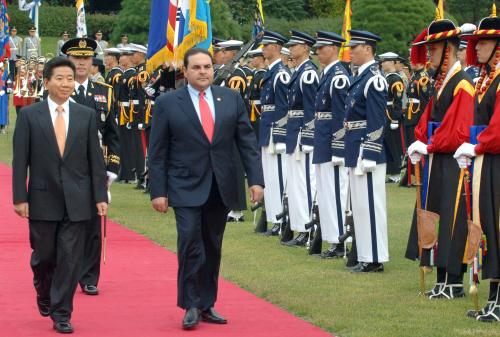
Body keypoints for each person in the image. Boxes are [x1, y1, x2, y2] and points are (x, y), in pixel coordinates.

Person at [148, 48, 264, 330]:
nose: (203, 72)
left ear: (214, 69)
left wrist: (256, 180)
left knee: (212, 245)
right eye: (196, 67)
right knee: (189, 242)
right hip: (184, 184)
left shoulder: (231, 99)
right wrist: (158, 191)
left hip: (220, 185)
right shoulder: (168, 103)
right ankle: (189, 304)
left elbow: (246, 143)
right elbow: (158, 151)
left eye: (207, 67)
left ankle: (206, 303)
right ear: (185, 71)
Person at [12, 56, 108, 333]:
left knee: (70, 257)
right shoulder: (30, 115)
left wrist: (100, 195)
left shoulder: (86, 115)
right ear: (47, 82)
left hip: (79, 200)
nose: (66, 84)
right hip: (42, 198)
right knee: (44, 257)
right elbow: (21, 160)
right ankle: (43, 288)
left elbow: (95, 161)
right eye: (60, 79)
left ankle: (62, 312)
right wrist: (20, 197)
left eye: (70, 79)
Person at [405, 17, 475, 298]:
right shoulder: (443, 82)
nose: (430, 54)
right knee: (435, 214)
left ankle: (454, 280)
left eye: (434, 49)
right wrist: (420, 139)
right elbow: (427, 119)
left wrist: (429, 145)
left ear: (448, 49)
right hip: (438, 159)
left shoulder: (462, 84)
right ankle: (442, 276)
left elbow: (459, 129)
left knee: (453, 218)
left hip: (453, 160)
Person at [62, 37, 121, 296]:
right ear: (68, 61)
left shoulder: (105, 91)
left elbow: (113, 134)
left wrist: (111, 169)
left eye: (86, 59)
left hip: (96, 168)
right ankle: (65, 272)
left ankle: (88, 276)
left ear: (92, 62)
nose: (82, 63)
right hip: (65, 168)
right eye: (76, 59)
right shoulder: (58, 90)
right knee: (65, 222)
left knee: (93, 226)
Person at [453, 9, 500, 322]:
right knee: (489, 229)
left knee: (497, 227)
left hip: (495, 160)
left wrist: (477, 144)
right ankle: (495, 297)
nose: (477, 47)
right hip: (487, 160)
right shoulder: (487, 80)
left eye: (484, 42)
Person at [344, 30, 389, 272]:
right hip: (355, 146)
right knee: (360, 206)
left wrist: (370, 152)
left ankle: (374, 258)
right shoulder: (360, 77)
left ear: (368, 49)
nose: (350, 51)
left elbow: (377, 119)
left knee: (371, 205)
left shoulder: (374, 78)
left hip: (366, 149)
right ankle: (365, 254)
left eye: (355, 47)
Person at [311, 31, 350, 258]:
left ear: (333, 48)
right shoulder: (327, 74)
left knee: (336, 191)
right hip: (322, 139)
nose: (318, 52)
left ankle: (339, 241)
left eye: (321, 48)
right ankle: (331, 237)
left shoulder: (338, 76)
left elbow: (340, 114)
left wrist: (339, 146)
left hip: (332, 142)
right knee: (325, 191)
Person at [281, 30, 319, 247]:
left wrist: (308, 136)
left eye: (295, 45)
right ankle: (301, 226)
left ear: (306, 47)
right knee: (296, 183)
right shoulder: (298, 71)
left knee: (306, 182)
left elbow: (312, 108)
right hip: (294, 131)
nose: (291, 48)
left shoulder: (309, 73)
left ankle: (308, 228)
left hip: (303, 132)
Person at [259, 31, 291, 236]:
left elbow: (283, 106)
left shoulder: (281, 73)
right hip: (266, 126)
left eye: (267, 45)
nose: (263, 49)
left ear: (277, 47)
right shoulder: (271, 71)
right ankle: (273, 218)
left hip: (275, 129)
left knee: (279, 175)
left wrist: (279, 135)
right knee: (270, 177)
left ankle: (281, 218)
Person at [400, 29, 432, 187]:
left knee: (416, 145)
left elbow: (426, 101)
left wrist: (421, 118)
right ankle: (411, 176)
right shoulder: (415, 76)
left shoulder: (424, 78)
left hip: (417, 114)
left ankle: (418, 176)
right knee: (409, 146)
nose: (410, 61)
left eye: (413, 58)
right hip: (410, 115)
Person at [379, 52, 405, 183]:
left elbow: (398, 101)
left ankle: (396, 172)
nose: (382, 64)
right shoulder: (387, 78)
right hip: (385, 112)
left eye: (385, 61)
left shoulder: (395, 79)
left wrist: (395, 118)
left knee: (393, 144)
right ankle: (391, 171)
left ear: (393, 63)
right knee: (387, 143)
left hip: (391, 114)